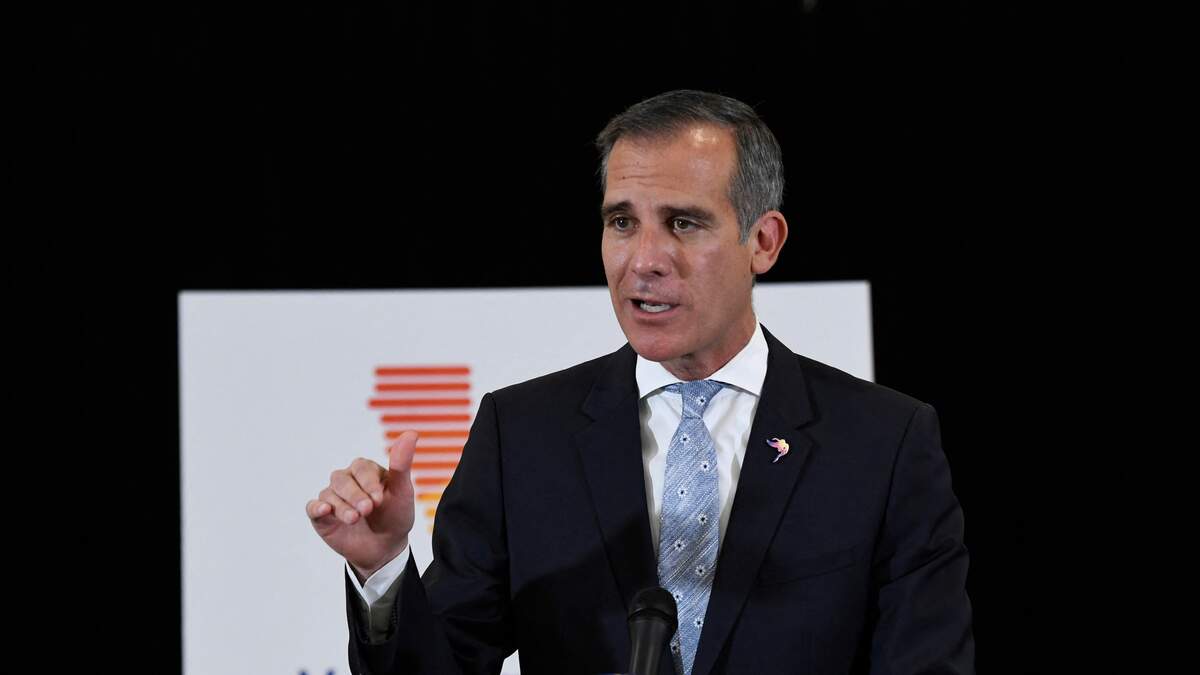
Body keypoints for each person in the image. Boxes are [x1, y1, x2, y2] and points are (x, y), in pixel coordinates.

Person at [306, 90, 975, 675]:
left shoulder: (883, 444)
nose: (645, 260)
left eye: (684, 223)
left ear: (763, 241)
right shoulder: (525, 436)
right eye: (622, 222)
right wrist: (383, 568)